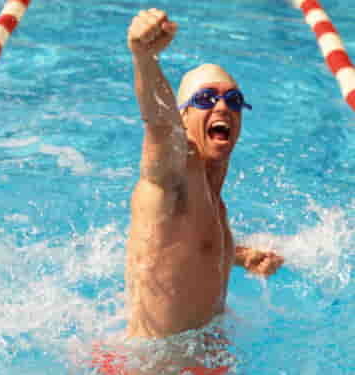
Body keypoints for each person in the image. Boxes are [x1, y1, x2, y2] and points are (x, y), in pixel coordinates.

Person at [92, 8, 284, 375]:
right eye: (205, 99)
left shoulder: (213, 195)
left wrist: (239, 255)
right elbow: (160, 126)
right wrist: (144, 57)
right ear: (182, 119)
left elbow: (183, 249)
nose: (222, 106)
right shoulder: (175, 173)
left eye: (233, 99)